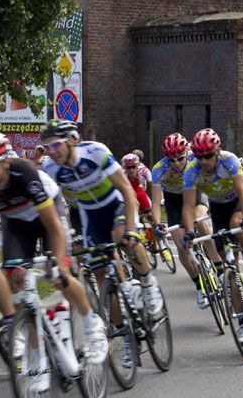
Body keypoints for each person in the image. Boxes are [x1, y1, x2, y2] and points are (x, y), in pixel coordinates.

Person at [0, 131, 107, 389]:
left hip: (48, 219)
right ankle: (38, 359)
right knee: (15, 279)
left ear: (4, 161)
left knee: (60, 276)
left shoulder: (24, 173)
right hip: (16, 224)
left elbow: (54, 228)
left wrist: (58, 263)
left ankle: (93, 324)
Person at [39, 120, 164, 318]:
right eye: (46, 148)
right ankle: (123, 331)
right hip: (90, 216)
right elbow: (49, 211)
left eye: (55, 145)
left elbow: (126, 190)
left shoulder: (95, 152)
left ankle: (149, 283)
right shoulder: (51, 169)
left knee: (122, 236)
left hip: (116, 204)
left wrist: (132, 229)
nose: (51, 152)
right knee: (100, 274)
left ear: (73, 140)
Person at [182, 128, 243, 346]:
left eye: (208, 155)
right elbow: (188, 206)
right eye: (200, 156)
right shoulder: (192, 171)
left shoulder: (229, 161)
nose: (204, 160)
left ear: (217, 151)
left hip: (239, 203)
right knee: (229, 271)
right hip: (218, 208)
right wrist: (188, 232)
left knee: (238, 225)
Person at [150, 133, 212, 308]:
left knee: (200, 220)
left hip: (195, 191)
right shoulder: (159, 169)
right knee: (181, 248)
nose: (176, 163)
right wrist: (157, 224)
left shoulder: (195, 158)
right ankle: (200, 286)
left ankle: (217, 262)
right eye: (172, 160)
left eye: (180, 158)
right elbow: (155, 203)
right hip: (174, 200)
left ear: (187, 152)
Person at [121, 153, 152, 219]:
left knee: (150, 214)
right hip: (128, 194)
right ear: (125, 167)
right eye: (128, 167)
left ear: (137, 166)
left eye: (133, 167)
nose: (131, 170)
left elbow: (153, 186)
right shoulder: (122, 174)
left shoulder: (144, 171)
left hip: (139, 191)